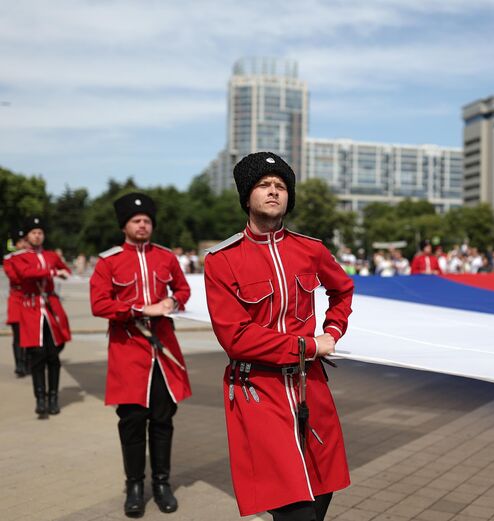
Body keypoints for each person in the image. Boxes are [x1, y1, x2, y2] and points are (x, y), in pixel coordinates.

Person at [204, 152, 353, 521]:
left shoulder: (310, 250)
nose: (274, 192)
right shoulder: (221, 260)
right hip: (259, 391)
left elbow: (343, 289)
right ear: (247, 196)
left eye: (281, 186)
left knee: (321, 491)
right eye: (264, 185)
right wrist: (307, 345)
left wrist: (333, 330)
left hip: (311, 387)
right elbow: (236, 338)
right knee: (294, 511)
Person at [90, 193, 192, 517]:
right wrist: (138, 309)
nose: (143, 225)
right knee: (132, 422)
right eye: (137, 220)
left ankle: (162, 483)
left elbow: (183, 289)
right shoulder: (108, 261)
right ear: (125, 226)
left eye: (147, 220)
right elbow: (99, 303)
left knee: (163, 421)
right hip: (128, 351)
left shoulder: (165, 257)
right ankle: (134, 485)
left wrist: (172, 303)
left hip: (163, 352)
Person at [14, 217, 71, 416]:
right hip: (31, 308)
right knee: (37, 356)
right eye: (33, 233)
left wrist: (61, 270)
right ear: (27, 236)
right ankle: (41, 399)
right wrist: (53, 271)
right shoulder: (19, 257)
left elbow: (66, 269)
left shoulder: (51, 255)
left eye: (40, 232)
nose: (37, 236)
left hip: (51, 308)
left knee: (53, 354)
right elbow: (26, 274)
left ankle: (53, 397)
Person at [3, 229, 29, 377]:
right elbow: (14, 277)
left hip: (30, 297)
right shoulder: (9, 259)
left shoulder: (32, 257)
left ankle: (29, 361)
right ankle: (19, 363)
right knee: (18, 334)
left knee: (30, 332)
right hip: (17, 298)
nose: (23, 244)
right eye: (20, 242)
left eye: (25, 241)